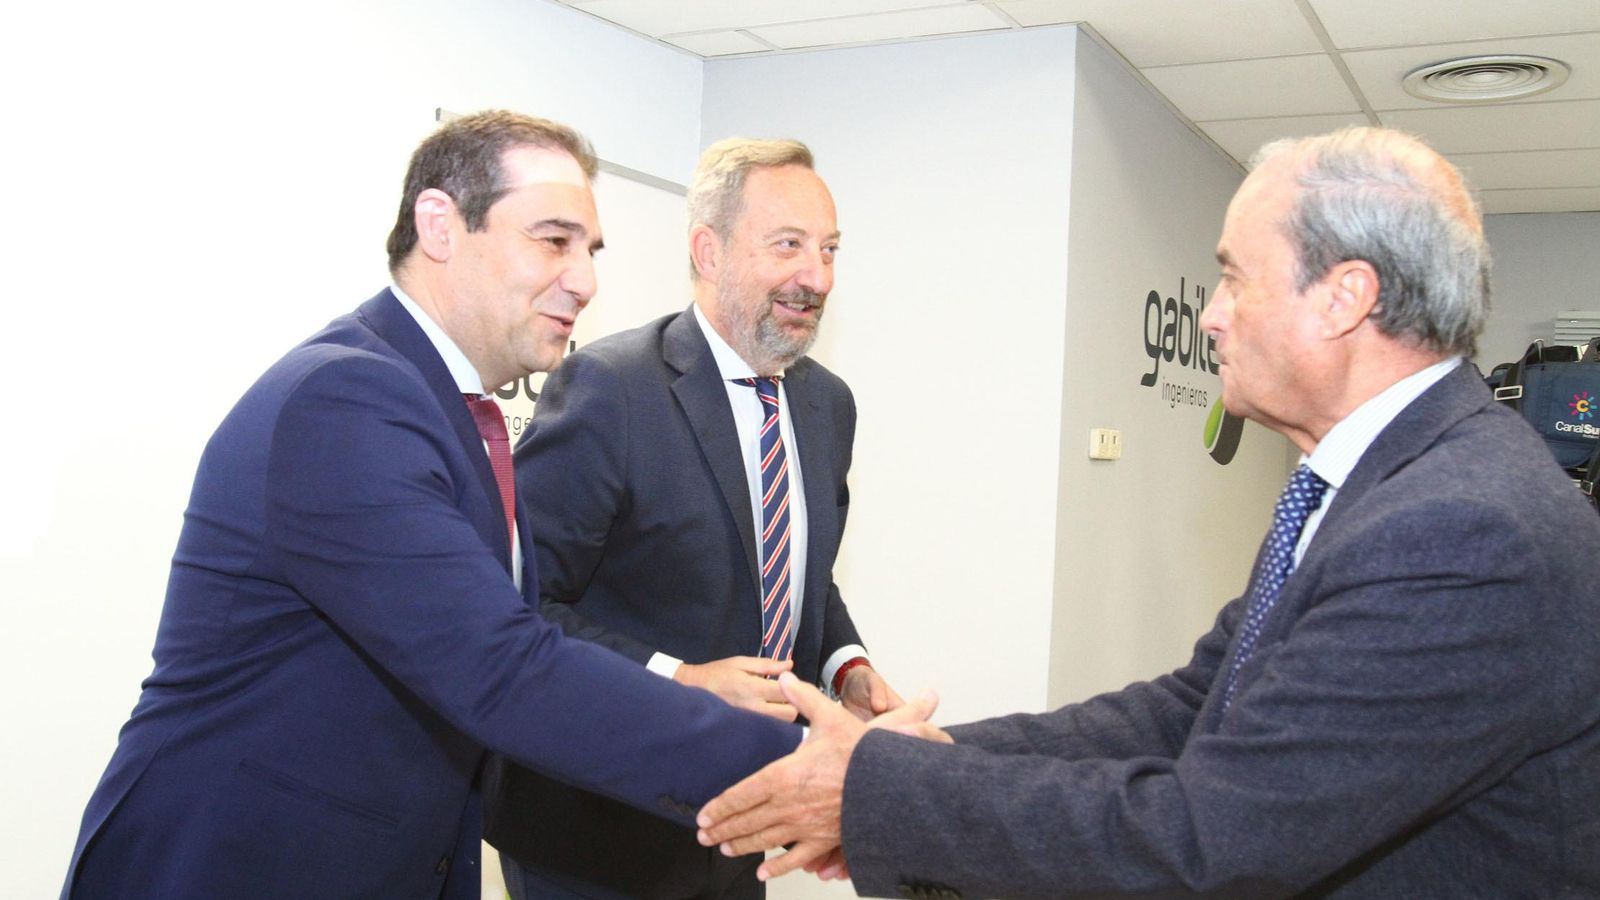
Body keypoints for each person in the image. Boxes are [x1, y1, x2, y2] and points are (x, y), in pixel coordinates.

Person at [695, 126, 1600, 897]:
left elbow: (1215, 839)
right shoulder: (1379, 484)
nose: (1209, 317)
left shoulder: (1460, 527)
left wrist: (879, 789)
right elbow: (1192, 706)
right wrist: (923, 759)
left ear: (1345, 298)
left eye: (1236, 280)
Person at [59, 111, 811, 900]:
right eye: (553, 240)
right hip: (236, 865)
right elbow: (502, 669)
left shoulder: (439, 406)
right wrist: (816, 772)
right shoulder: (345, 396)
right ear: (440, 226)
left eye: (589, 251)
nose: (586, 280)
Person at [483, 137, 904, 900]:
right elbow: (521, 605)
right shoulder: (610, 389)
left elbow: (799, 574)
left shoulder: (826, 404)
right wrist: (684, 678)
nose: (817, 277)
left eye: (830, 250)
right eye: (789, 246)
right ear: (709, 251)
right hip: (597, 829)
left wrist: (848, 665)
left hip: (744, 812)